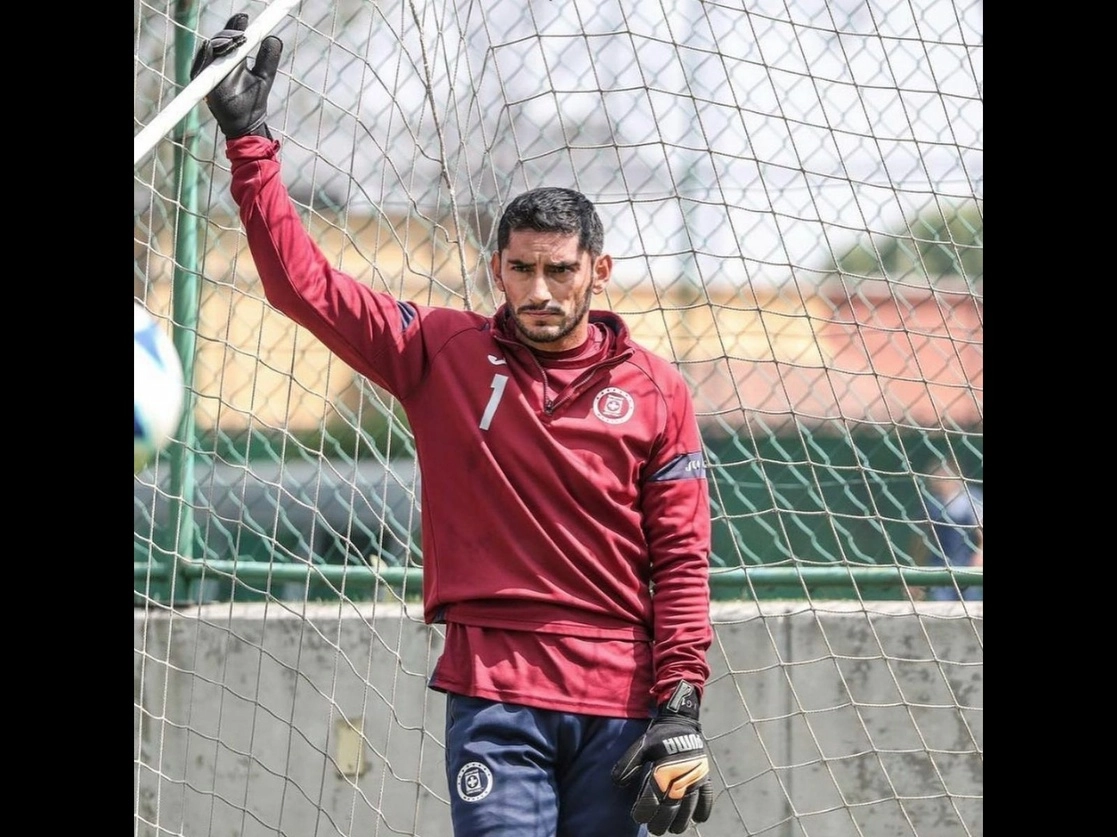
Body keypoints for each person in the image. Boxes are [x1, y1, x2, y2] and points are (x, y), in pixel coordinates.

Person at [191, 15, 715, 837]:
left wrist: (679, 706)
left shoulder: (658, 390)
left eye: (560, 270)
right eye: (521, 269)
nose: (538, 290)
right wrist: (248, 141)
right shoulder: (439, 351)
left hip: (621, 704)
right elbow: (303, 285)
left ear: (599, 271)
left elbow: (681, 559)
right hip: (494, 695)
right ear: (495, 267)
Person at [919, 461, 984, 602]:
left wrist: (980, 552)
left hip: (967, 561)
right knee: (942, 603)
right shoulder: (933, 502)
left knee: (971, 602)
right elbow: (922, 538)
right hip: (940, 562)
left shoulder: (971, 498)